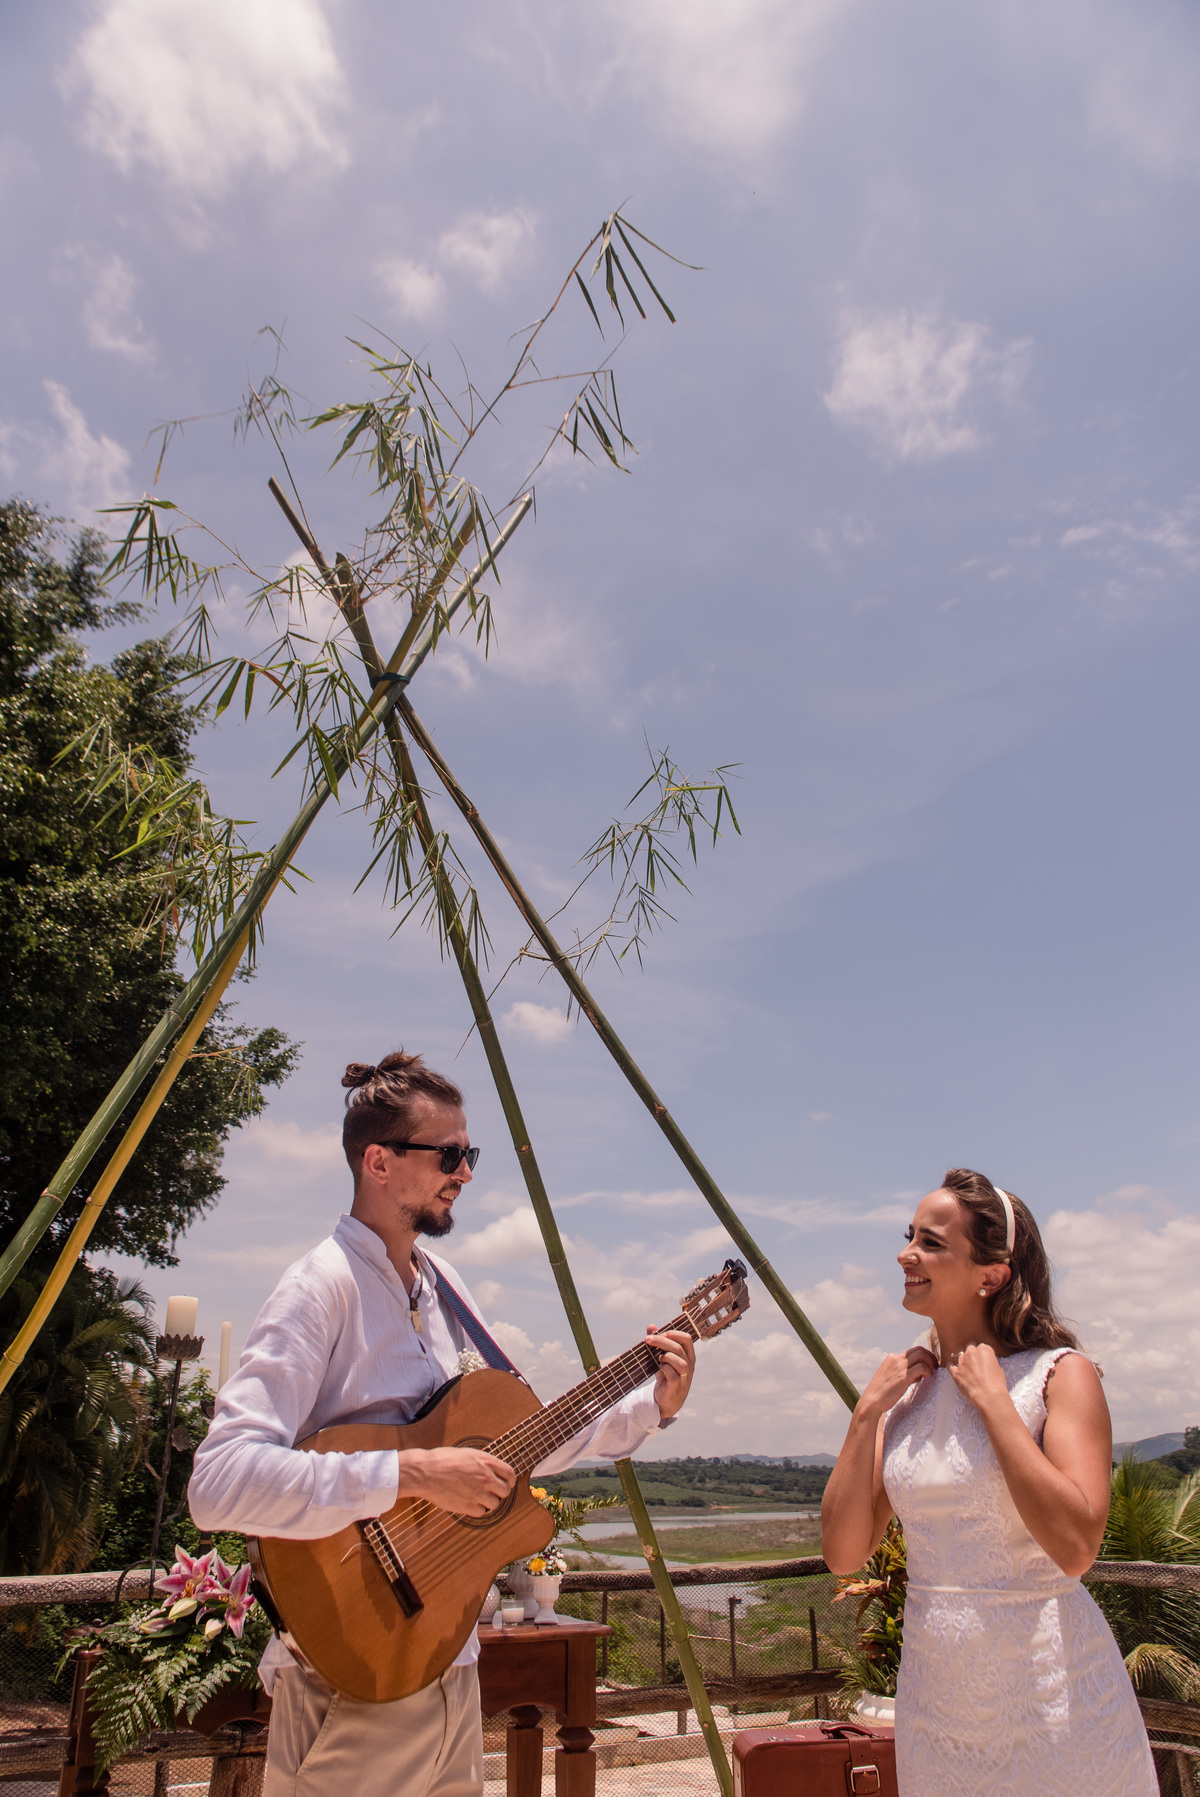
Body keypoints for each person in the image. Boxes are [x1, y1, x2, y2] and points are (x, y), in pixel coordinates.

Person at [189, 1051, 697, 1797]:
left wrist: (652, 1405)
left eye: (470, 1154)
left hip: (448, 1660)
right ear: (379, 1161)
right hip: (354, 1673)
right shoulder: (319, 1288)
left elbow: (516, 1440)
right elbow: (219, 1483)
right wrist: (412, 1472)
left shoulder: (444, 1285)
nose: (465, 1172)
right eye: (448, 1154)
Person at [821, 1167, 1155, 1797]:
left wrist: (996, 1406)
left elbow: (1077, 1548)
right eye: (909, 1236)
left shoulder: (1060, 1375)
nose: (906, 1253)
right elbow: (843, 1553)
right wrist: (866, 1414)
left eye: (931, 1242)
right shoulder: (908, 1396)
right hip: (937, 1709)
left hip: (1054, 1702)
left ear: (992, 1275)